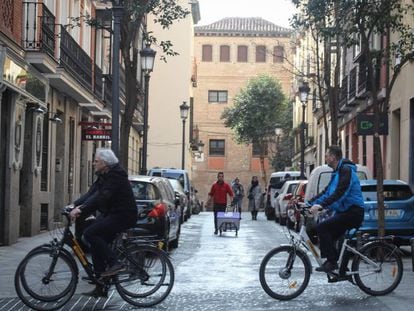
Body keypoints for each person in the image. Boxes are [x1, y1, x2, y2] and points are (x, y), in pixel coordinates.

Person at [69, 148, 138, 298]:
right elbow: (91, 194)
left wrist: (82, 210)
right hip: (112, 214)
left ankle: (115, 263)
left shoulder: (116, 176)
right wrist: (73, 206)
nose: (93, 163)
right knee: (95, 242)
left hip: (123, 215)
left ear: (105, 163)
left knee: (90, 233)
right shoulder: (104, 175)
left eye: (96, 161)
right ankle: (101, 284)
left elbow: (101, 197)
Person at [306, 145, 364, 273]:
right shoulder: (336, 172)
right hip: (345, 212)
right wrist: (308, 203)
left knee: (322, 228)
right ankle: (341, 266)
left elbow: (340, 193)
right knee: (328, 235)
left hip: (354, 212)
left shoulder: (346, 171)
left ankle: (332, 262)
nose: (325, 157)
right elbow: (326, 193)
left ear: (333, 157)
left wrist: (322, 206)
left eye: (326, 155)